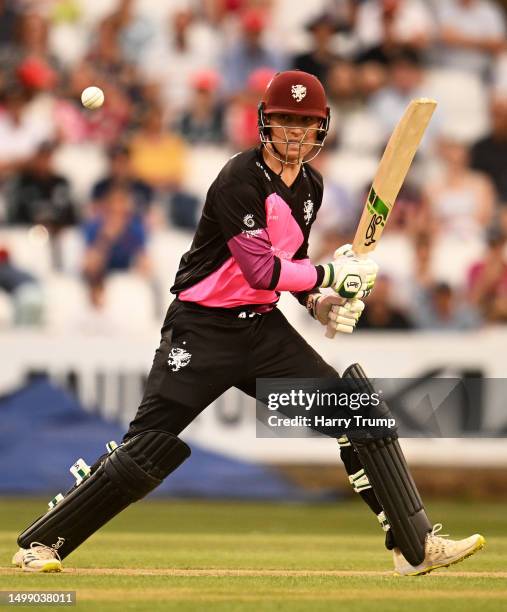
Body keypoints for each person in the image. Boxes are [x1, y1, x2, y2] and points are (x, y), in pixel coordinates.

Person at [12, 71, 484, 575]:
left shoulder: (311, 186)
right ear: (265, 123)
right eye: (285, 120)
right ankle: (41, 545)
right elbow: (260, 268)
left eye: (305, 123)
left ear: (322, 129)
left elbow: (291, 264)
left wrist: (320, 302)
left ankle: (414, 546)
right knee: (145, 446)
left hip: (262, 330)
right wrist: (332, 272)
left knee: (360, 414)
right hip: (202, 330)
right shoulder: (239, 177)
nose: (295, 133)